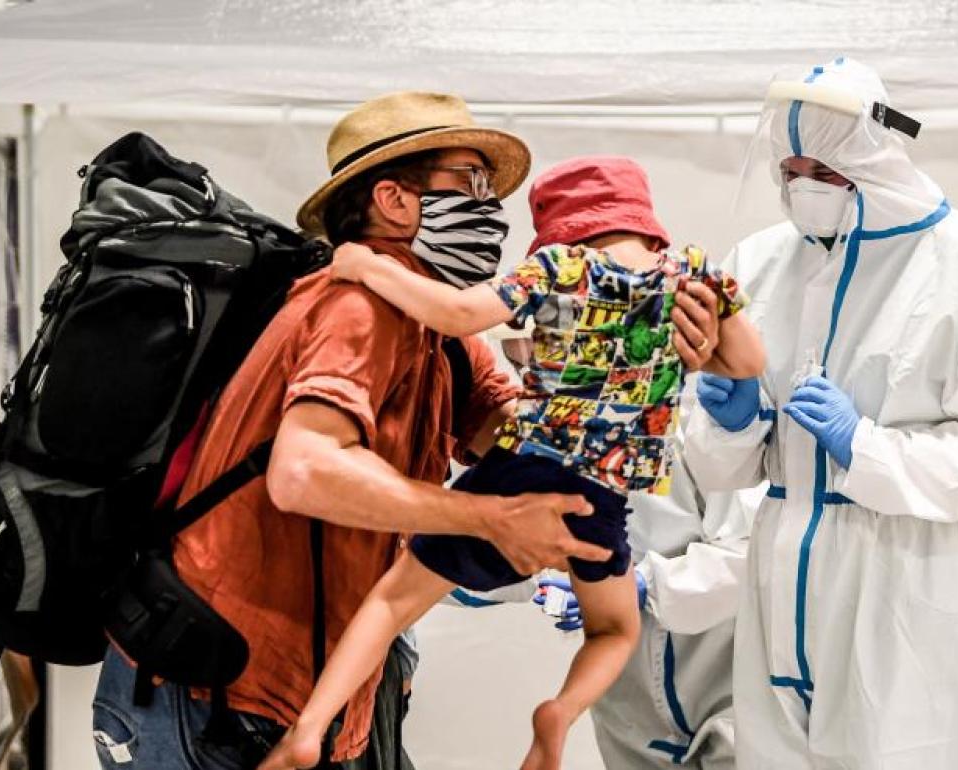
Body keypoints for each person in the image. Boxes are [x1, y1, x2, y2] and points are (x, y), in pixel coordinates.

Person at [89, 92, 652, 770]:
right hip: (217, 693)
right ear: (394, 199)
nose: (490, 206)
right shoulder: (358, 306)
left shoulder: (436, 329)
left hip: (298, 691)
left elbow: (512, 436)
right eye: (471, 182)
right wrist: (490, 518)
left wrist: (626, 355)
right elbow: (304, 472)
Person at [259, 155, 765, 770]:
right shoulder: (691, 274)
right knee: (614, 632)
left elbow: (456, 314)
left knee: (391, 602)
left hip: (523, 468)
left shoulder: (561, 268)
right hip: (601, 496)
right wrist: (703, 346)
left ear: (562, 230)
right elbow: (749, 362)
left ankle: (309, 728)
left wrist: (368, 267)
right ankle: (559, 713)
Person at [684, 58, 958, 769]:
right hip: (779, 579)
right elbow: (719, 469)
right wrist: (733, 423)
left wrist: (867, 450)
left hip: (908, 577)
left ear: (872, 158)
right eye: (790, 171)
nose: (803, 188)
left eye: (824, 171)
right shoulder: (759, 262)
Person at [532, 427, 760, 769]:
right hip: (628, 687)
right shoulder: (553, 434)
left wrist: (646, 583)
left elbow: (751, 549)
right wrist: (539, 578)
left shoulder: (703, 424)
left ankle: (563, 712)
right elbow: (512, 535)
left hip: (719, 670)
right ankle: (562, 713)